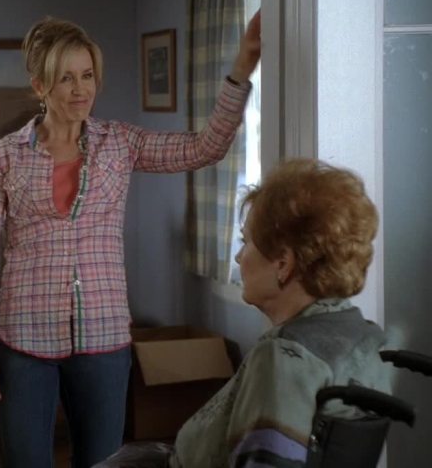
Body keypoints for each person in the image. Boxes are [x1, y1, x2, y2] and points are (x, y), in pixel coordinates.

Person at [0, 12, 261, 468]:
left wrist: (242, 67)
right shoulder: (3, 156)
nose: (81, 89)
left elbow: (205, 147)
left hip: (103, 336)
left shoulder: (120, 143)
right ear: (40, 86)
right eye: (66, 78)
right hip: (22, 338)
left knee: (104, 463)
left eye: (88, 75)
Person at [99, 159, 392, 467]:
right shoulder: (363, 335)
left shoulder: (285, 356)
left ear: (283, 263)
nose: (239, 257)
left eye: (246, 241)